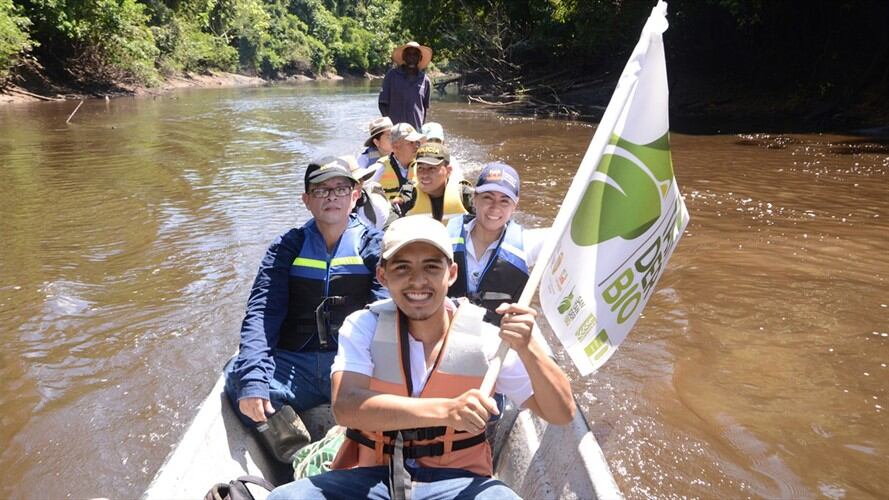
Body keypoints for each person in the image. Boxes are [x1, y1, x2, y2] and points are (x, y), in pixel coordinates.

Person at [267, 215, 576, 500]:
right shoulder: (363, 326)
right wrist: (447, 411)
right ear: (383, 275)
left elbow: (561, 414)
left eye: (431, 267)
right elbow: (348, 408)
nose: (417, 281)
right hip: (373, 477)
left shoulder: (486, 338)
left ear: (451, 273)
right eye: (402, 268)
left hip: (457, 480)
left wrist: (529, 348)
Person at [224, 157, 389, 454]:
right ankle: (295, 450)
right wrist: (253, 381)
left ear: (354, 196)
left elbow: (387, 313)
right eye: (321, 190)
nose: (331, 197)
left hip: (351, 362)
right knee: (239, 376)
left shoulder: (374, 245)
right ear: (306, 200)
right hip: (294, 365)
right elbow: (262, 313)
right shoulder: (287, 246)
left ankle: (354, 437)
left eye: (340, 189)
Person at [447, 162, 549, 326]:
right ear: (475, 199)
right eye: (488, 197)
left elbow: (573, 230)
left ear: (514, 206)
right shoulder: (445, 237)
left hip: (497, 338)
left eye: (504, 201)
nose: (495, 208)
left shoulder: (527, 244)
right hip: (448, 333)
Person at [407, 142, 472, 223]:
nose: (424, 174)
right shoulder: (408, 194)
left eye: (432, 168)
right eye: (420, 168)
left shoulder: (465, 195)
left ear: (448, 171)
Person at [378, 41, 432, 130]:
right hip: (395, 130)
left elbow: (425, 108)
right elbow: (382, 103)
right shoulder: (392, 76)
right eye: (408, 54)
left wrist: (420, 127)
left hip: (415, 131)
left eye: (415, 54)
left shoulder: (425, 80)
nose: (412, 57)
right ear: (403, 56)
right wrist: (390, 126)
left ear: (420, 58)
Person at [369, 122, 424, 206]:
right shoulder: (380, 168)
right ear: (395, 146)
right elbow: (364, 194)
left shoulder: (423, 167)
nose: (416, 146)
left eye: (417, 142)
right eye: (410, 143)